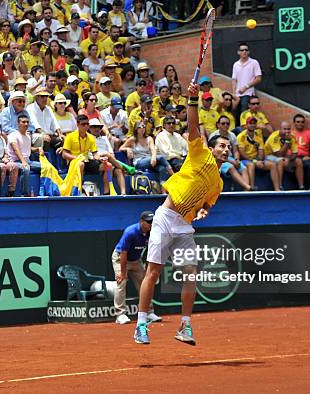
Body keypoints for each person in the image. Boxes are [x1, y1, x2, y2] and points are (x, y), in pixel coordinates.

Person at [134, 82, 228, 346]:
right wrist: (193, 99)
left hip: (184, 227)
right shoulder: (199, 153)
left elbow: (207, 204)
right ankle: (141, 324)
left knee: (190, 274)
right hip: (164, 218)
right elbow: (194, 125)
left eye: (228, 147)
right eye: (221, 145)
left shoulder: (219, 183)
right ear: (212, 148)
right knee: (153, 271)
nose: (226, 149)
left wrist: (204, 212)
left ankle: (185, 326)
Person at [112, 211, 160, 324]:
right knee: (121, 283)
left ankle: (148, 312)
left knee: (145, 283)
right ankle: (120, 315)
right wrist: (123, 273)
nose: (151, 224)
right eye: (148, 222)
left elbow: (152, 251)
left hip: (136, 260)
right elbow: (123, 253)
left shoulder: (152, 232)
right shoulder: (130, 232)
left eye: (152, 222)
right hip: (121, 258)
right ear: (141, 221)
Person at [120, 120, 172, 192]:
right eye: (140, 127)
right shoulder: (132, 139)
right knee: (161, 157)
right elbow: (121, 148)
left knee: (162, 169)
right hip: (139, 162)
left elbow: (153, 149)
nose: (142, 129)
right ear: (136, 129)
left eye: (143, 127)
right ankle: (173, 175)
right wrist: (127, 149)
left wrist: (153, 157)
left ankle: (163, 192)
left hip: (151, 160)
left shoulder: (149, 138)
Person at [210, 115, 254, 191]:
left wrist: (236, 159)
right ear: (218, 125)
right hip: (218, 159)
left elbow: (235, 150)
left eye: (227, 123)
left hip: (231, 158)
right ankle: (248, 187)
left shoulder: (232, 135)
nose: (225, 125)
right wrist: (232, 161)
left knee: (243, 168)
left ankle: (246, 192)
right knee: (231, 167)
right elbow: (213, 153)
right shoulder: (214, 135)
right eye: (223, 123)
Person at [237, 116, 280, 191]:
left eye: (254, 123)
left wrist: (259, 160)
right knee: (251, 165)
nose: (252, 125)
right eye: (250, 123)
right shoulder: (241, 136)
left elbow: (261, 152)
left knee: (272, 165)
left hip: (256, 159)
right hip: (245, 160)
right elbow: (242, 153)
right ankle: (252, 187)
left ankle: (277, 189)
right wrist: (254, 161)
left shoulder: (258, 136)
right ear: (246, 125)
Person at [264, 121, 304, 190]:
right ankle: (280, 186)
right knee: (281, 161)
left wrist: (289, 159)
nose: (287, 131)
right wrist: (287, 142)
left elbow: (295, 153)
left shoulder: (292, 137)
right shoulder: (274, 137)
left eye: (288, 129)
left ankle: (301, 186)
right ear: (280, 129)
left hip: (283, 155)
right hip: (269, 155)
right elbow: (279, 154)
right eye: (284, 129)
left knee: (298, 161)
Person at [292, 114, 310, 189]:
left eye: (302, 122)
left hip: (304, 157)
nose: (300, 124)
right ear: (294, 123)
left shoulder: (309, 133)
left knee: (309, 164)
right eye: (298, 122)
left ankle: (308, 188)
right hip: (292, 157)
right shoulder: (290, 133)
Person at [232, 42, 262, 113]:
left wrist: (246, 87)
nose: (244, 51)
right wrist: (233, 93)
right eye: (242, 50)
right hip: (237, 95)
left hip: (248, 94)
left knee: (245, 115)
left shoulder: (254, 62)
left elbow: (259, 78)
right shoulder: (236, 64)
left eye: (246, 50)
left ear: (248, 52)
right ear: (238, 52)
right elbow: (234, 80)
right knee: (236, 116)